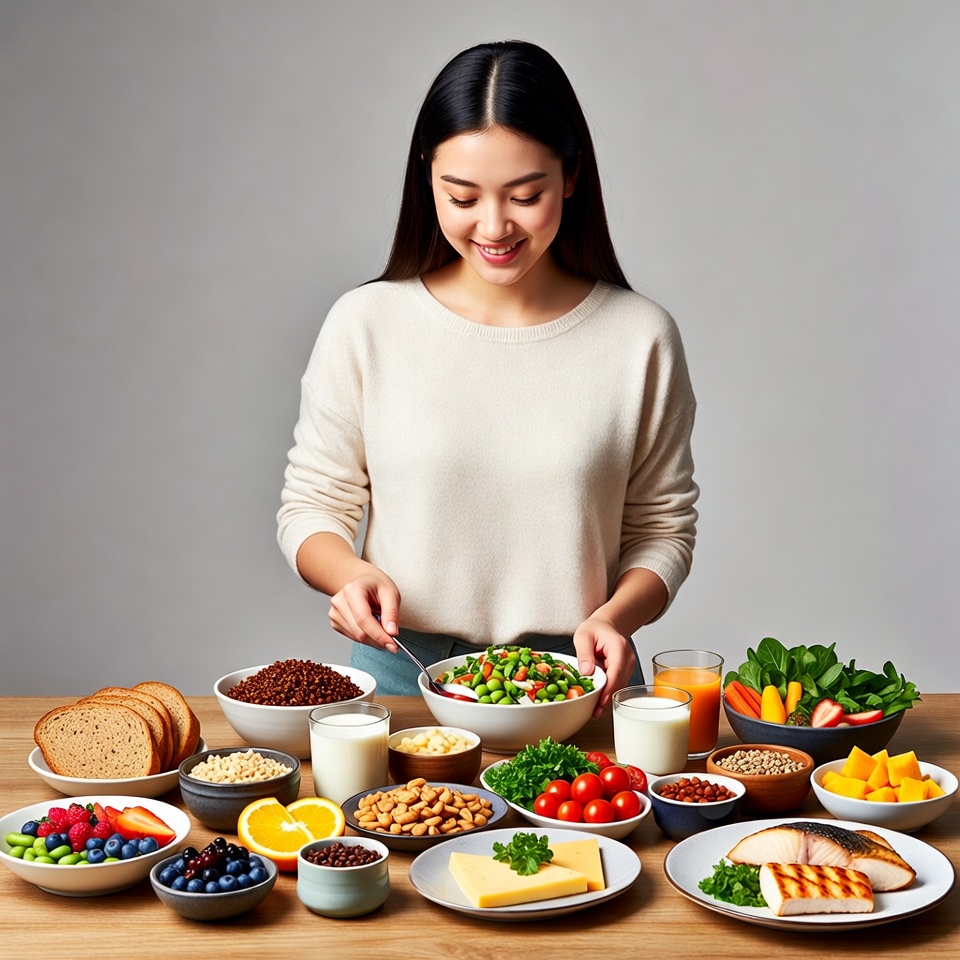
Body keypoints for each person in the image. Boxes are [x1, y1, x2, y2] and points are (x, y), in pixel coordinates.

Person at [277, 40, 698, 715]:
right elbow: (312, 505)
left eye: (525, 195)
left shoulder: (638, 335)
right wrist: (350, 575)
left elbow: (663, 527)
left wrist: (617, 618)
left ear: (571, 177)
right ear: (427, 181)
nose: (494, 226)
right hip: (400, 672)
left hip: (579, 680)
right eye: (463, 196)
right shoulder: (366, 322)